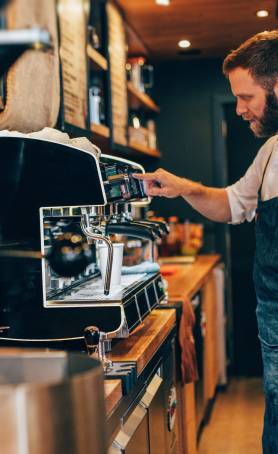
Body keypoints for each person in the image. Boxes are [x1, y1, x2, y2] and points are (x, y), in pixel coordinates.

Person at [134, 30, 278, 453]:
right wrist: (183, 188)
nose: (239, 109)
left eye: (247, 96)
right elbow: (233, 203)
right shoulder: (271, 151)